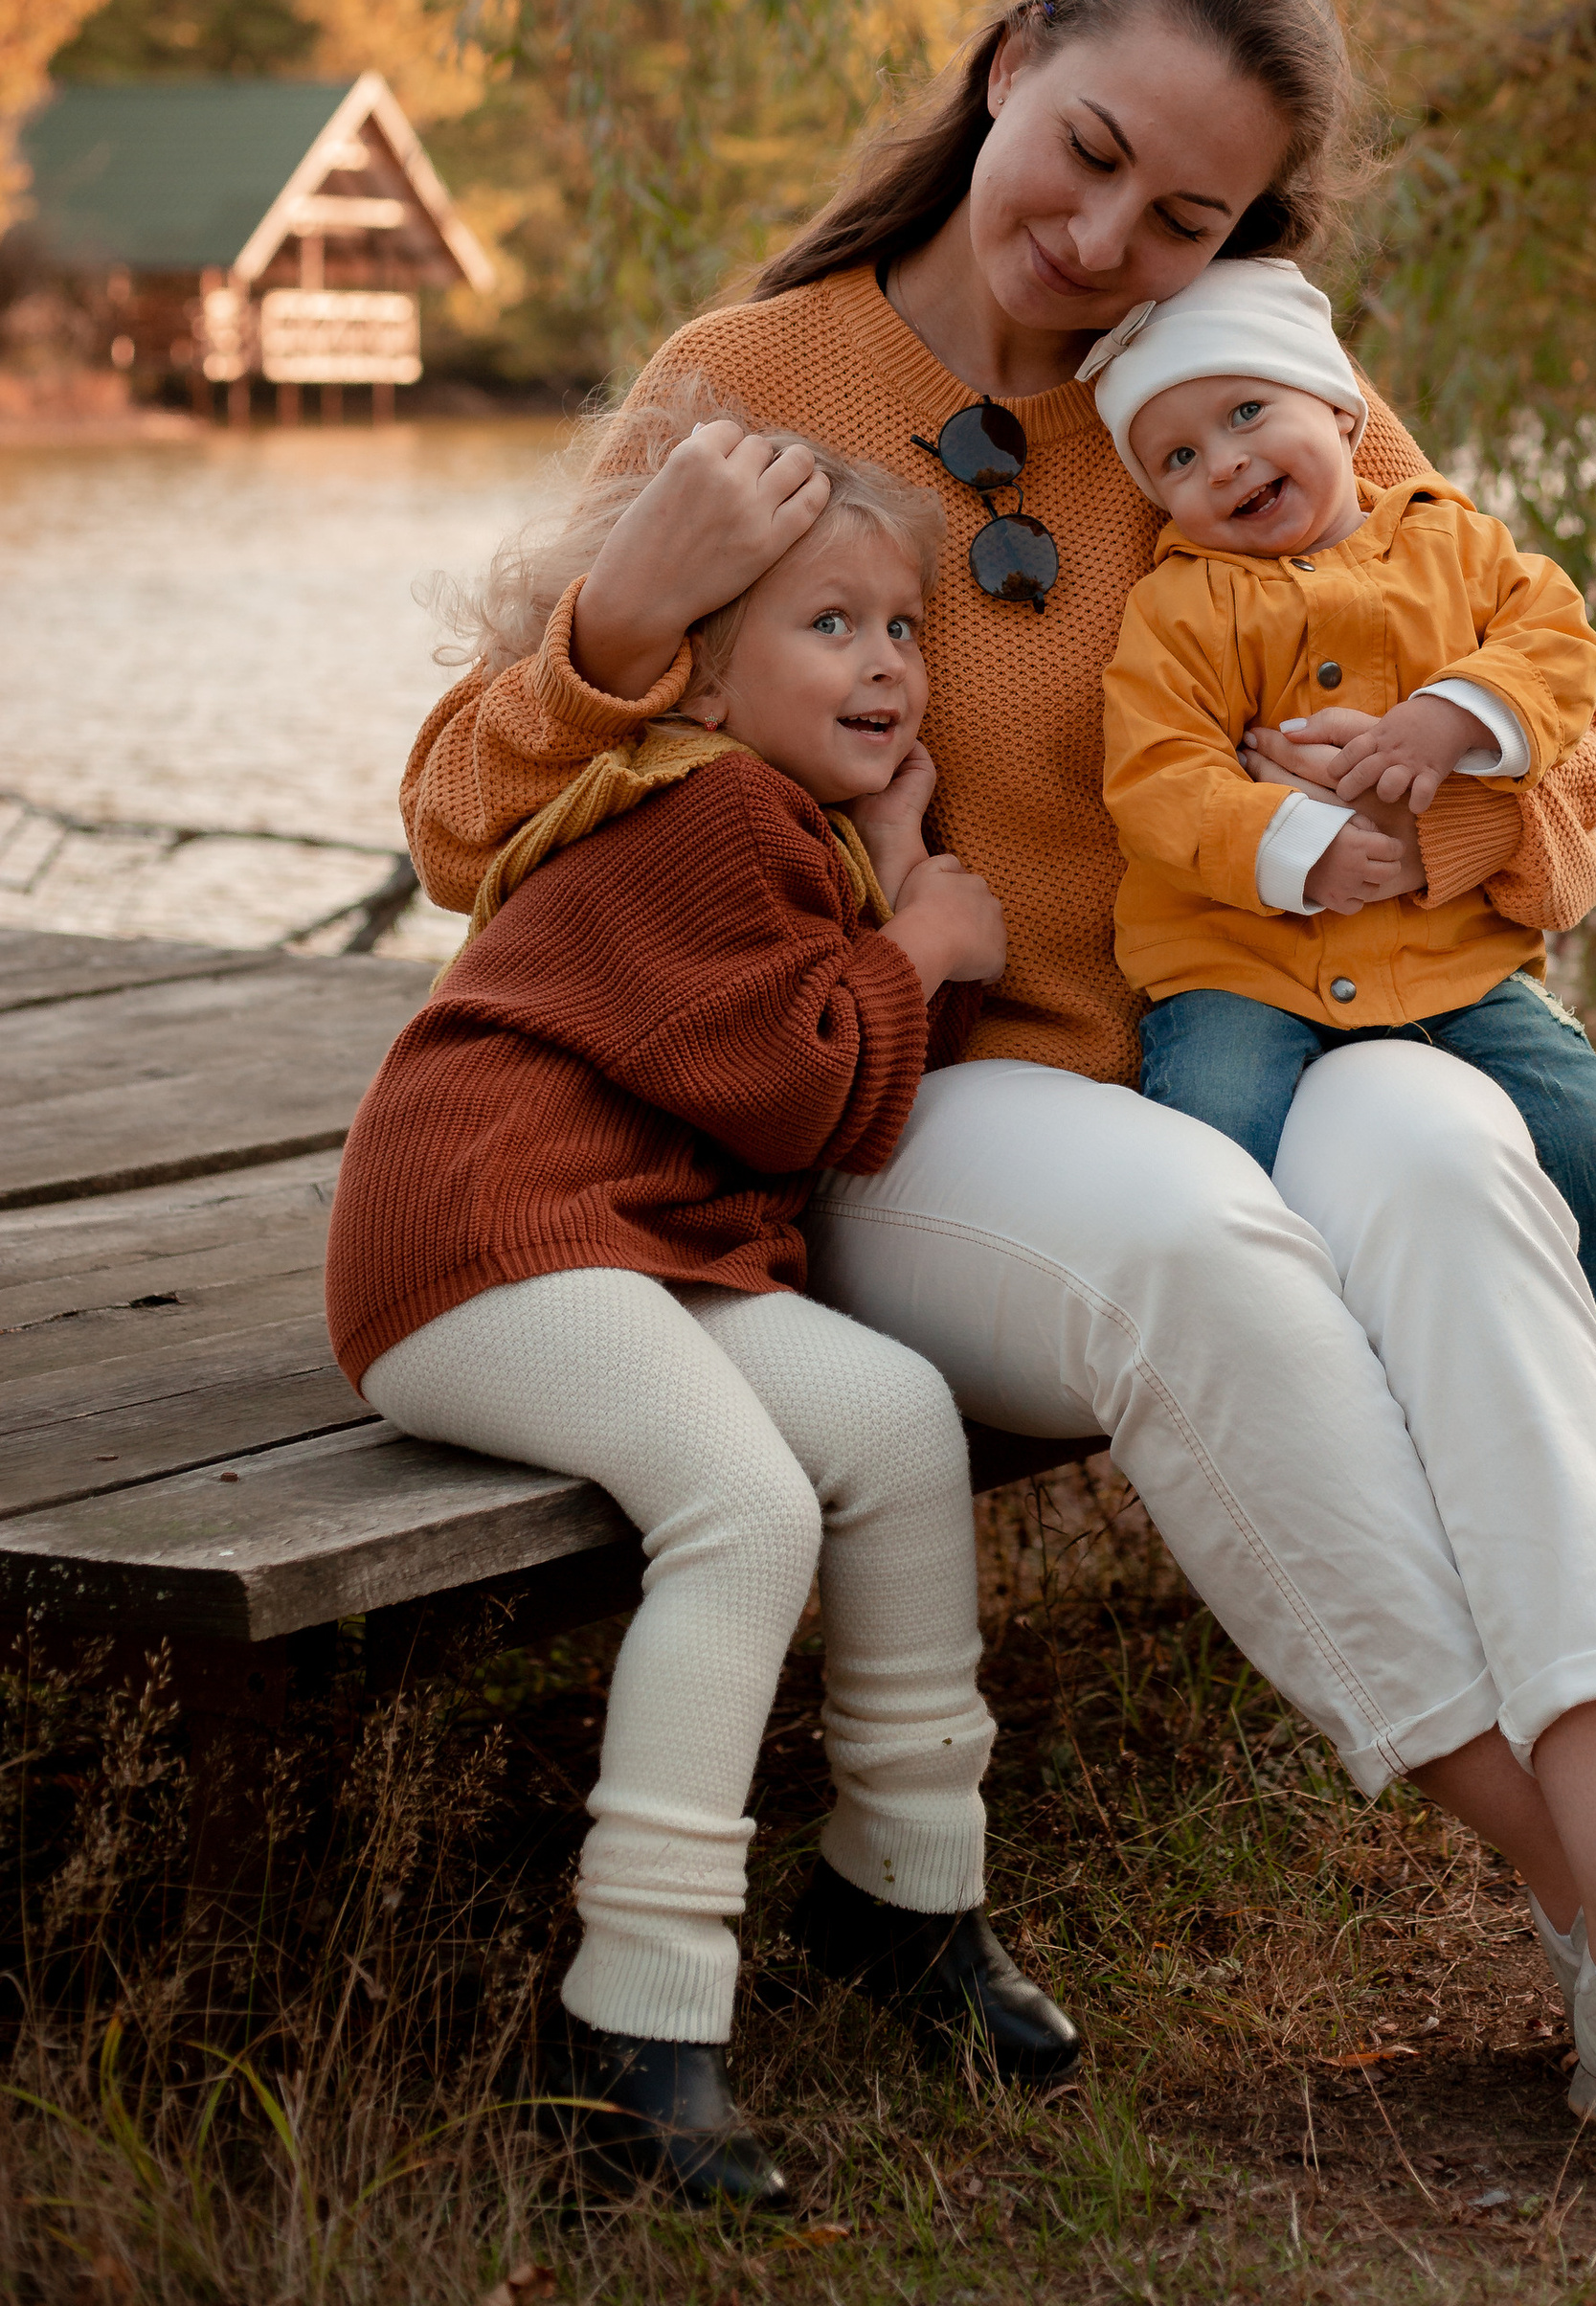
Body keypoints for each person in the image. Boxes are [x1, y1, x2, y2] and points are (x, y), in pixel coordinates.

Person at [400, 0, 1596, 2200]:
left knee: (1451, 1164)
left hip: (1297, 1017)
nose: (1104, 236)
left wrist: (1415, 814)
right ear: (1010, 49)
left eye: (1184, 213)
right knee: (1205, 1243)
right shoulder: (754, 384)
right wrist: (623, 618)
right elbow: (461, 825)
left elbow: (1554, 738)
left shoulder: (1251, 395)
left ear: (1249, 242)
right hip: (924, 1093)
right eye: (1091, 147)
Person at [328, 430, 1080, 2217]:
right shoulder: (712, 809)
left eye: (903, 629)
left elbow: (830, 1099)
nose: (889, 666)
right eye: (831, 625)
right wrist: (926, 947)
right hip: (484, 1240)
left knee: (894, 1420)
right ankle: (640, 2024)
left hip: (620, 1243)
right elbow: (794, 1086)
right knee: (742, 1507)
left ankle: (907, 1891)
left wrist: (892, 889)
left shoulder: (789, 826)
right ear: (703, 672)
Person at [1085, 252, 1596, 1364]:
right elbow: (1158, 776)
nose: (1226, 461)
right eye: (1180, 458)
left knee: (1587, 1134)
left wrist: (1453, 717)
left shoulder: (1459, 545)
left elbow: (1559, 646)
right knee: (1211, 1152)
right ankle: (1285, 1383)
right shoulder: (1179, 608)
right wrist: (1298, 845)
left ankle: (1593, 1402)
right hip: (1238, 962)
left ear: (1342, 412)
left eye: (1248, 410)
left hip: (1450, 955)